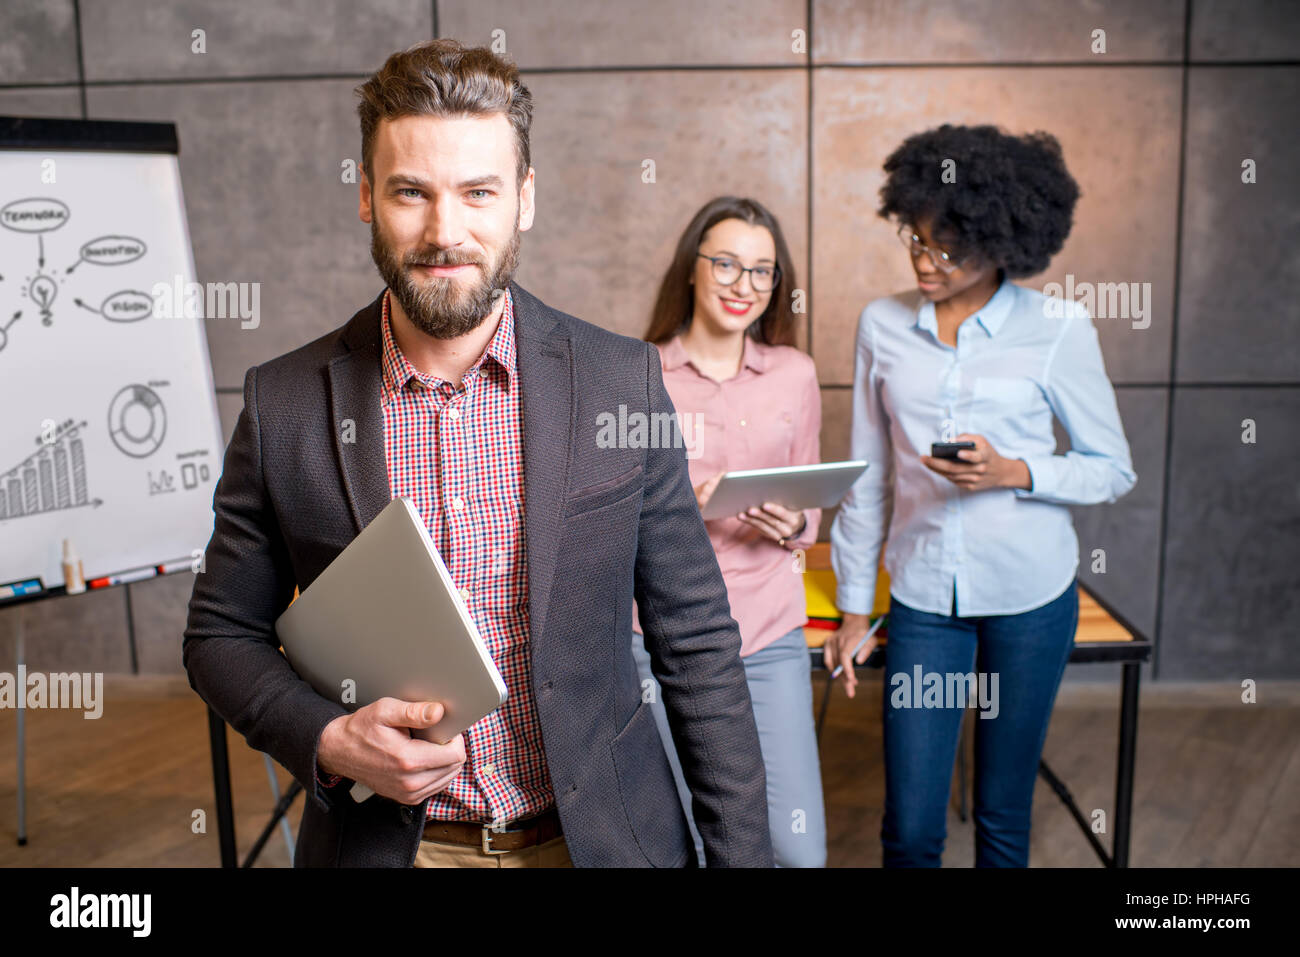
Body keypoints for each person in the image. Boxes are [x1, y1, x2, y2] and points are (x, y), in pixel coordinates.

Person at [183, 39, 773, 869]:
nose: (443, 231)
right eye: (410, 192)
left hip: (601, 841)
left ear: (524, 198)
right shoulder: (284, 404)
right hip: (393, 851)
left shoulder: (619, 381)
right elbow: (218, 633)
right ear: (364, 195)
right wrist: (331, 736)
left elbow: (698, 641)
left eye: (478, 192)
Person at [824, 124, 1137, 867]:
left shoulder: (1057, 328)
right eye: (916, 238)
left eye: (949, 248)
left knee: (1002, 817)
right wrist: (854, 606)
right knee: (909, 826)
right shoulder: (883, 323)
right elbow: (868, 473)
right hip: (926, 599)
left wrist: (1017, 472)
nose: (924, 261)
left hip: (1031, 598)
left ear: (1006, 243)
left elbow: (1112, 468)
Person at [633, 196, 827, 867]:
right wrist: (689, 504)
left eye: (761, 271)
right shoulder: (637, 375)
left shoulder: (795, 375)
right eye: (726, 263)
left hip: (770, 626)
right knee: (689, 836)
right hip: (662, 634)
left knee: (796, 849)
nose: (743, 285)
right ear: (692, 268)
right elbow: (609, 521)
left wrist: (798, 520)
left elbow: (812, 497)